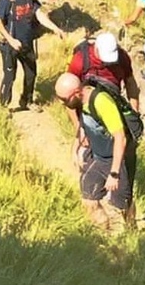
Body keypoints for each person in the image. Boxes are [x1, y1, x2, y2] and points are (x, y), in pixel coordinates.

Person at [55, 71, 139, 234]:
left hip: (117, 160)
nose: (62, 103)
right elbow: (85, 124)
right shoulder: (82, 100)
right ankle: (105, 237)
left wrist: (114, 173)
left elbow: (120, 137)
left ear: (76, 93)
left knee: (121, 207)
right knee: (89, 200)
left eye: (64, 100)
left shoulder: (101, 102)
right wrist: (75, 147)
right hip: (98, 157)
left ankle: (131, 234)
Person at [0, 0, 63, 112]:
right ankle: (4, 106)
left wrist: (55, 28)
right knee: (10, 75)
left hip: (27, 44)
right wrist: (11, 40)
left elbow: (39, 15)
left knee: (31, 74)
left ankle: (27, 101)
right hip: (9, 46)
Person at [65, 29, 141, 124]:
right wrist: (78, 127)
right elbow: (67, 92)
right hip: (87, 112)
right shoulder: (80, 60)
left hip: (112, 106)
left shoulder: (122, 57)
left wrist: (134, 113)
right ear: (96, 49)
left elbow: (130, 82)